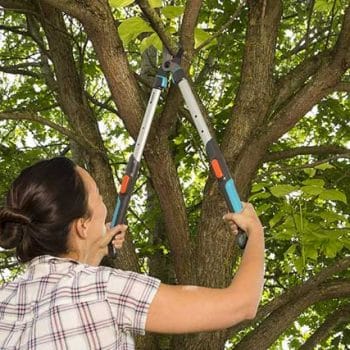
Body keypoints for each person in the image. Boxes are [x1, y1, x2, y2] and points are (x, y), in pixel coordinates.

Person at [0, 157, 264, 349]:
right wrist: (255, 232)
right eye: (100, 198)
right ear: (82, 225)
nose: (106, 207)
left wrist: (92, 254)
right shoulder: (103, 289)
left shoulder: (6, 298)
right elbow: (241, 304)